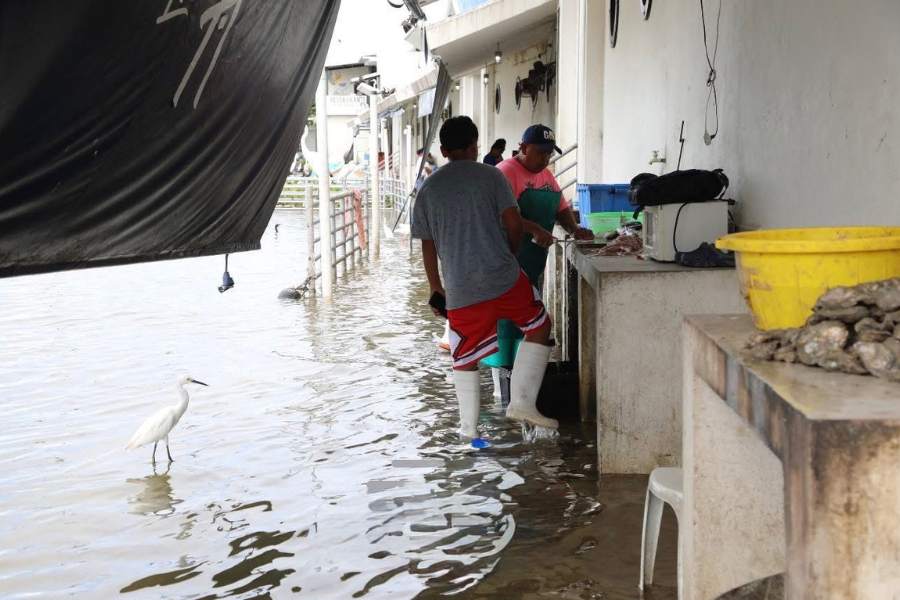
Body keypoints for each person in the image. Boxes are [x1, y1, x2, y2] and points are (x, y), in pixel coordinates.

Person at [411, 116, 558, 441]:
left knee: (463, 357)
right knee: (539, 325)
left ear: (444, 149)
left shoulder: (428, 189)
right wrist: (508, 252)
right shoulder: (491, 176)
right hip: (503, 277)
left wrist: (437, 288)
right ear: (476, 146)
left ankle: (469, 432)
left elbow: (428, 245)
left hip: (462, 289)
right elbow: (514, 223)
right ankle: (521, 402)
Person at [497, 124, 594, 248]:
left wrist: (575, 229)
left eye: (549, 154)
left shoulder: (545, 174)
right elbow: (500, 214)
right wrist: (535, 229)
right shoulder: (504, 172)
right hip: (506, 252)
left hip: (534, 254)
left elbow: (561, 208)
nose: (545, 159)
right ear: (524, 148)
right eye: (541, 153)